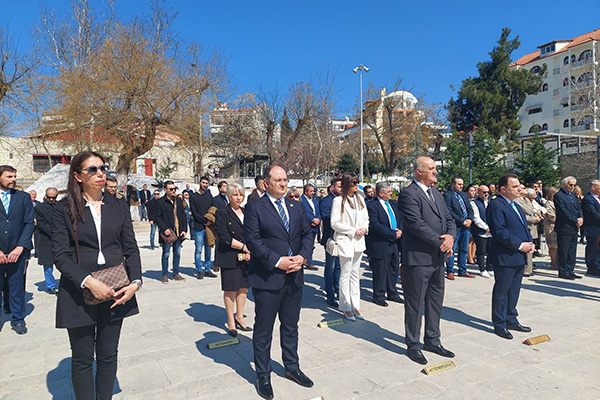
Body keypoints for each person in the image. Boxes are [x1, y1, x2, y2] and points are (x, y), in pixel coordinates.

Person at [51, 151, 142, 398]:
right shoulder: (63, 208)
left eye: (103, 167)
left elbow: (130, 247)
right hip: (78, 291)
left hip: (116, 289)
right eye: (92, 169)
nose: (100, 173)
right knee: (82, 358)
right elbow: (60, 255)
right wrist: (89, 282)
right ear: (78, 176)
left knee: (108, 354)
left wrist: (135, 282)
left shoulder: (118, 206)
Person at [244, 165, 314, 400]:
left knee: (291, 326)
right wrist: (277, 261)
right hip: (268, 278)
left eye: (285, 179)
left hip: (294, 277)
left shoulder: (296, 206)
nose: (283, 184)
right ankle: (263, 374)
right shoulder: (255, 207)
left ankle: (292, 367)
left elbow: (307, 234)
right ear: (266, 183)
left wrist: (303, 257)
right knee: (264, 330)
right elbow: (253, 240)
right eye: (278, 180)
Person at [398, 157, 456, 365]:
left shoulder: (436, 194)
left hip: (437, 259)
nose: (435, 172)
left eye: (435, 168)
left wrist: (450, 237)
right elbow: (416, 225)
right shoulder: (408, 194)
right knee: (415, 304)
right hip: (418, 259)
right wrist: (441, 243)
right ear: (418, 171)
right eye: (431, 168)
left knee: (435, 301)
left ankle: (432, 340)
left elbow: (449, 219)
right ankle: (413, 344)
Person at [487, 173, 534, 340]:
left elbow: (523, 228)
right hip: (505, 255)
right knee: (502, 291)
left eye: (519, 186)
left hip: (518, 255)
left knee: (514, 290)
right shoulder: (496, 205)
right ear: (503, 189)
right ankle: (499, 323)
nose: (519, 189)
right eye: (514, 186)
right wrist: (520, 245)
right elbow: (499, 231)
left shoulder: (516, 206)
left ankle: (511, 319)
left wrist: (529, 242)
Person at [0, 165, 35, 334]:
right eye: (9, 176)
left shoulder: (23, 197)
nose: (13, 179)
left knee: (16, 287)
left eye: (14, 176)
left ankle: (18, 319)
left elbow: (29, 223)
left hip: (17, 252)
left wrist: (20, 247)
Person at [215, 183, 252, 337]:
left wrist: (250, 250)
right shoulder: (222, 212)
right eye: (235, 195)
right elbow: (224, 236)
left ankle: (239, 317)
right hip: (229, 255)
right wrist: (244, 247)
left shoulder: (246, 212)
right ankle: (231, 320)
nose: (238, 198)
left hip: (246, 256)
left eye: (241, 195)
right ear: (229, 196)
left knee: (243, 287)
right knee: (231, 288)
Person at [331, 173, 369, 322]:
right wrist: (353, 230)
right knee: (345, 274)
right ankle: (346, 306)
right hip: (345, 240)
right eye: (354, 183)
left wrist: (364, 228)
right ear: (347, 184)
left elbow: (366, 218)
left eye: (357, 182)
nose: (356, 185)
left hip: (358, 241)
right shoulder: (338, 201)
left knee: (355, 274)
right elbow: (334, 223)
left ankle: (355, 305)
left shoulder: (360, 199)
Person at [367, 181, 403, 307]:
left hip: (394, 242)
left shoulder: (393, 204)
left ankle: (392, 292)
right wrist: (392, 233)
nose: (391, 193)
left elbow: (400, 219)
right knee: (380, 270)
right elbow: (375, 225)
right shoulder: (373, 206)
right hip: (381, 242)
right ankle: (379, 295)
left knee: (393, 268)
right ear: (381, 193)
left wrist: (400, 230)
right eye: (389, 192)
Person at [154, 180, 188, 283]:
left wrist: (184, 229)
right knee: (166, 254)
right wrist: (165, 229)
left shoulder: (178, 201)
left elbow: (183, 216)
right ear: (165, 190)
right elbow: (157, 218)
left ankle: (175, 273)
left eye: (174, 189)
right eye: (171, 189)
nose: (173, 191)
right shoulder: (160, 202)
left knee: (177, 253)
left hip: (178, 232)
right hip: (168, 233)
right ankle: (165, 275)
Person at [443, 177, 475, 279]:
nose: (461, 186)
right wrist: (462, 221)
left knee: (464, 249)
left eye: (462, 184)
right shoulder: (448, 195)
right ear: (453, 184)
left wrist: (470, 219)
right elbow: (449, 211)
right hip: (455, 226)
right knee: (452, 249)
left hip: (466, 227)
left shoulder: (463, 195)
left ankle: (462, 270)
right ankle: (450, 271)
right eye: (459, 184)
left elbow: (469, 209)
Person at [554, 176, 583, 280]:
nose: (572, 187)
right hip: (564, 227)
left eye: (574, 185)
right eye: (570, 185)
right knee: (564, 250)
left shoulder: (572, 195)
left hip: (574, 228)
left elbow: (579, 208)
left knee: (572, 250)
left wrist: (581, 217)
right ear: (564, 184)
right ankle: (563, 271)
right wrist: (575, 220)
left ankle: (570, 270)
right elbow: (563, 211)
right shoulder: (559, 195)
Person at [319, 178, 342, 307]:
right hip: (331, 239)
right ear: (332, 187)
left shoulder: (344, 200)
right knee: (331, 267)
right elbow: (327, 220)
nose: (341, 189)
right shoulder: (326, 201)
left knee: (339, 267)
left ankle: (339, 290)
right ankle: (330, 294)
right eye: (339, 186)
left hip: (342, 239)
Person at [190, 176, 216, 279]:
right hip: (199, 227)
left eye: (206, 183)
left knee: (208, 249)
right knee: (198, 249)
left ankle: (207, 269)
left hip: (209, 227)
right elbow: (194, 212)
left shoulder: (209, 195)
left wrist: (210, 221)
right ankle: (199, 270)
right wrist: (205, 221)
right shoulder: (193, 196)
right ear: (199, 183)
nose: (204, 185)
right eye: (203, 183)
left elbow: (213, 208)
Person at [35, 187, 59, 294]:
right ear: (46, 196)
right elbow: (42, 224)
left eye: (54, 197)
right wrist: (56, 233)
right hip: (47, 239)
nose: (51, 199)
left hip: (60, 239)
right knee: (48, 265)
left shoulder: (60, 206)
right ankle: (50, 286)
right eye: (49, 197)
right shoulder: (39, 208)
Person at [515, 188, 544, 277]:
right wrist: (533, 219)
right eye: (523, 188)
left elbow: (533, 210)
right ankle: (524, 269)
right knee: (525, 248)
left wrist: (538, 216)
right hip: (525, 225)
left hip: (533, 226)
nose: (525, 190)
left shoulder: (527, 200)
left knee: (531, 248)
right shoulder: (516, 201)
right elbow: (520, 215)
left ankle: (529, 268)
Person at [471, 185, 493, 277]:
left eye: (488, 192)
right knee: (481, 251)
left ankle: (490, 268)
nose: (486, 194)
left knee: (491, 250)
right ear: (478, 192)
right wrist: (486, 228)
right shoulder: (474, 203)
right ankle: (482, 269)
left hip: (491, 231)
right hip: (480, 231)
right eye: (484, 192)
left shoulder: (490, 202)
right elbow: (476, 218)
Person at [581, 180, 600, 277]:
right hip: (593, 228)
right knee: (592, 248)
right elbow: (594, 214)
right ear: (593, 187)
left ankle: (597, 266)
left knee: (598, 249)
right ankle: (591, 268)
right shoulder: (588, 199)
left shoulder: (598, 198)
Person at [300, 183, 320, 271]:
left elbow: (318, 212)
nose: (313, 193)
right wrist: (311, 220)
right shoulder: (301, 200)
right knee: (305, 244)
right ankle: (306, 261)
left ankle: (309, 261)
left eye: (313, 191)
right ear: (305, 192)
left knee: (311, 245)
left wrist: (318, 219)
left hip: (315, 226)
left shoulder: (314, 201)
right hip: (307, 226)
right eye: (311, 191)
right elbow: (303, 212)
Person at [543, 187, 559, 270]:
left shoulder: (556, 202)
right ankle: (553, 261)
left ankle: (557, 260)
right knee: (553, 245)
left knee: (557, 245)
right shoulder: (548, 204)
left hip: (558, 226)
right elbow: (551, 216)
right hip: (551, 226)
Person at [466, 184, 478, 265]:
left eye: (474, 191)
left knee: (474, 240)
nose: (473, 192)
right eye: (471, 191)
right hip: (468, 221)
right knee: (469, 240)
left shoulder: (475, 200)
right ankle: (469, 257)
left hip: (475, 222)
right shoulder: (466, 200)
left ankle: (473, 256)